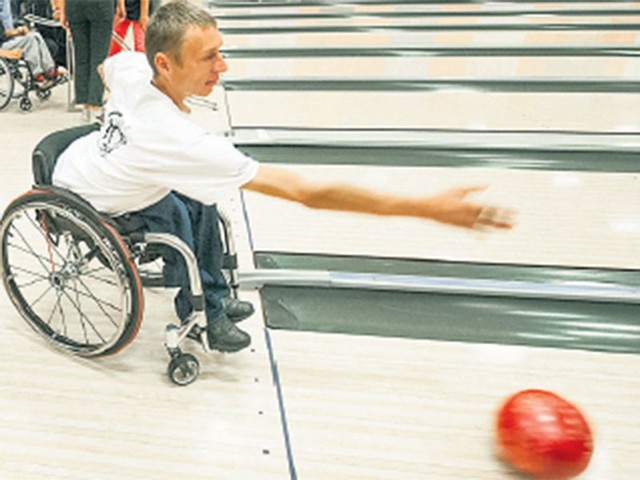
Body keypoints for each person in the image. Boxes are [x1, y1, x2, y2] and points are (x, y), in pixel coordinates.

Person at [52, 0, 514, 354]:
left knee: (204, 204)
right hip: (92, 196)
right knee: (182, 210)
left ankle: (209, 295)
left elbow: (106, 67)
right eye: (209, 57)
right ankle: (204, 310)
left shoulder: (136, 67)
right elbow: (308, 193)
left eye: (221, 52)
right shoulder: (176, 139)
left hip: (87, 161)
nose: (223, 67)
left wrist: (119, 119)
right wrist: (426, 207)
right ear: (166, 64)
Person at [57, 0, 124, 122]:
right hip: (100, 5)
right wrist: (121, 4)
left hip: (75, 6)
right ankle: (95, 105)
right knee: (99, 56)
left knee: (81, 56)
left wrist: (62, 11)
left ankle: (85, 105)